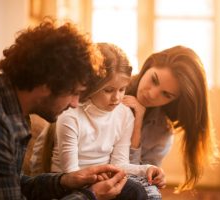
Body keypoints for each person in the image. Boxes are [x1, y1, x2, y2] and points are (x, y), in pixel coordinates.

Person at [0, 19, 127, 200]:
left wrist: (66, 180)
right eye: (74, 93)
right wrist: (91, 195)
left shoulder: (11, 107)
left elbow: (14, 182)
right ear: (47, 84)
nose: (76, 103)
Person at [31, 43, 165, 199]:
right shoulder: (70, 115)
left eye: (122, 89)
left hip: (102, 179)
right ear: (92, 86)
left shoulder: (125, 114)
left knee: (142, 192)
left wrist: (147, 169)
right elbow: (71, 174)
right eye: (108, 90)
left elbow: (119, 164)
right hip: (70, 182)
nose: (117, 98)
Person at [123, 45, 220, 191]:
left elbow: (138, 180)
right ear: (148, 66)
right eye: (154, 80)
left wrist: (153, 175)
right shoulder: (111, 89)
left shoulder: (162, 131)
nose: (152, 94)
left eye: (166, 94)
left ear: (174, 101)